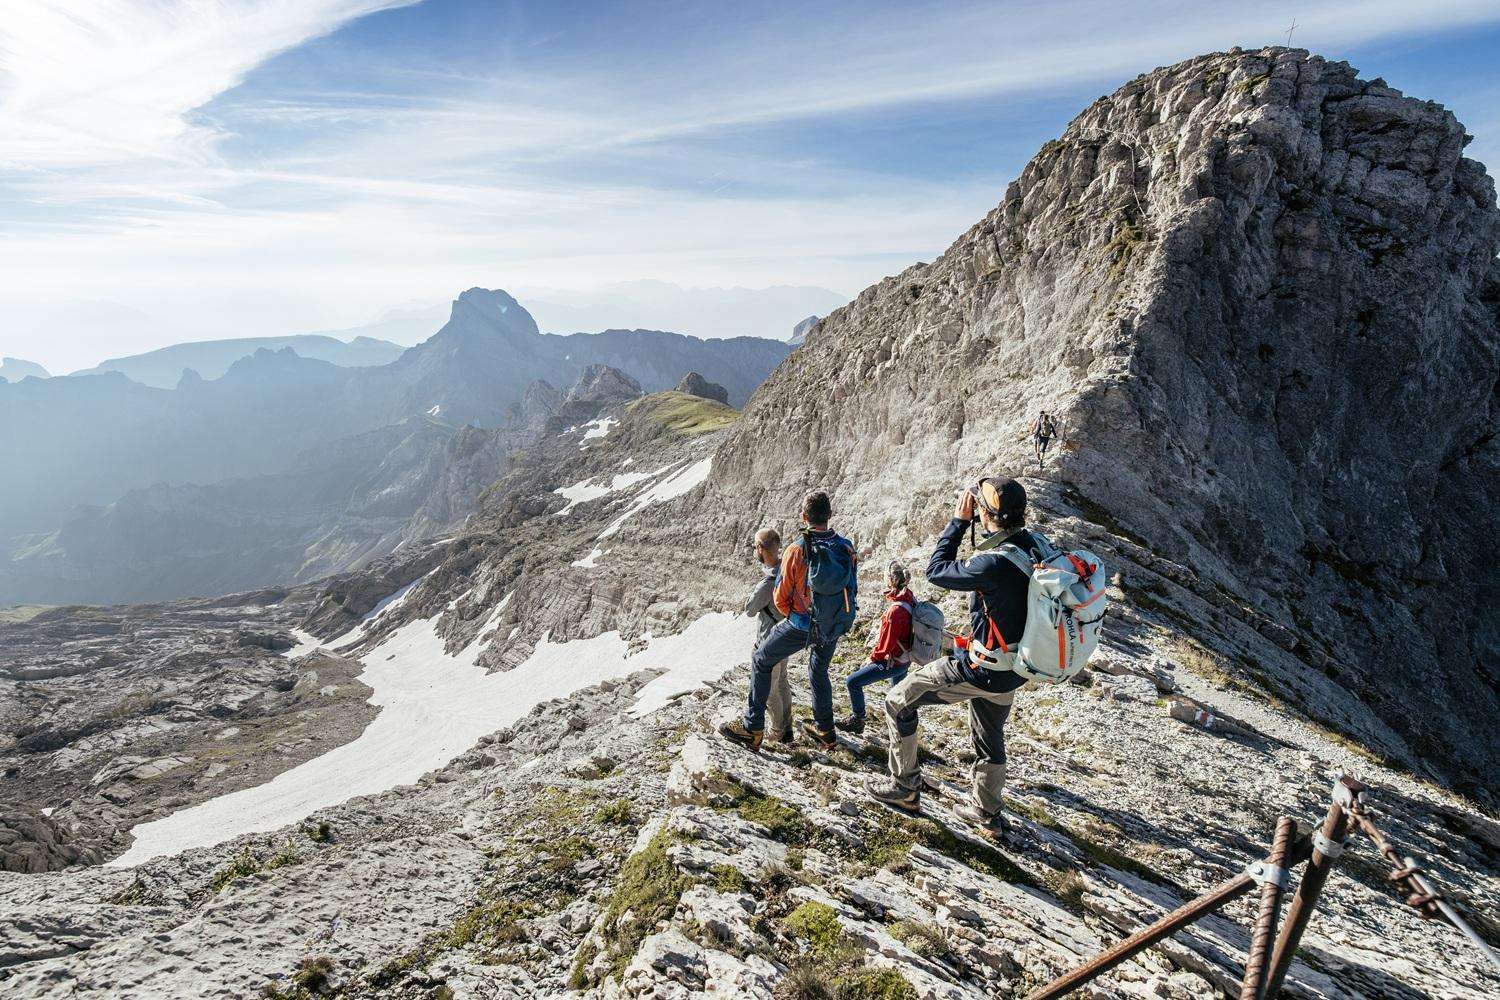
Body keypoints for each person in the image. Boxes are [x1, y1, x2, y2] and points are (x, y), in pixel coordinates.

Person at [867, 476, 1047, 839]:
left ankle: (904, 786)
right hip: (1015, 667)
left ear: (986, 514)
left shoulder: (992, 564)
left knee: (898, 701)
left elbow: (936, 571)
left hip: (982, 667)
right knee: (990, 734)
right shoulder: (1036, 546)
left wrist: (958, 522)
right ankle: (986, 812)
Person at [720, 490, 858, 752]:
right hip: (834, 623)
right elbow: (852, 587)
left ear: (803, 516)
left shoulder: (796, 550)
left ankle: (752, 728)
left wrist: (796, 617)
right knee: (818, 671)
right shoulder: (846, 546)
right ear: (830, 515)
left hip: (802, 623)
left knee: (761, 659)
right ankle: (826, 731)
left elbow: (780, 597)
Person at [835, 561, 914, 735]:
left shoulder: (895, 611)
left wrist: (871, 659)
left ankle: (858, 719)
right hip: (905, 660)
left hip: (894, 662)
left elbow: (885, 646)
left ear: (891, 581)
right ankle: (903, 729)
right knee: (898, 697)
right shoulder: (909, 598)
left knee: (853, 682)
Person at [744, 527, 794, 744]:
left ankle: (778, 731)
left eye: (755, 546)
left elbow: (750, 609)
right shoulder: (788, 570)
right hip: (785, 635)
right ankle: (787, 727)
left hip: (768, 641)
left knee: (770, 690)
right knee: (782, 682)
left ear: (760, 549)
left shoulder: (767, 583)